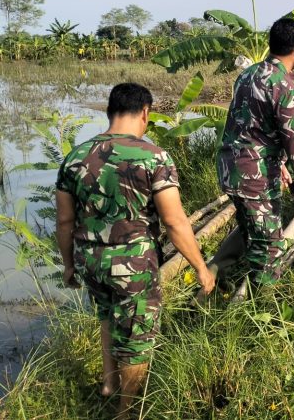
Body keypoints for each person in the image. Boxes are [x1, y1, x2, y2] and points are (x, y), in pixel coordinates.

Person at [55, 83, 216, 418]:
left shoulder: (75, 157)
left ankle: (109, 384)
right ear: (145, 113)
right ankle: (126, 410)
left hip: (90, 260)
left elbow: (65, 221)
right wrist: (201, 266)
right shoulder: (153, 156)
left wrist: (69, 265)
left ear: (109, 111)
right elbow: (174, 222)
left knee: (107, 315)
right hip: (132, 264)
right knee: (137, 338)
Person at [217, 18, 294, 288]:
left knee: (252, 234)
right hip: (255, 175)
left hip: (230, 170)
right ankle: (263, 315)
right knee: (269, 248)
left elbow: (252, 127)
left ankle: (220, 282)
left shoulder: (247, 75)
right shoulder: (284, 86)